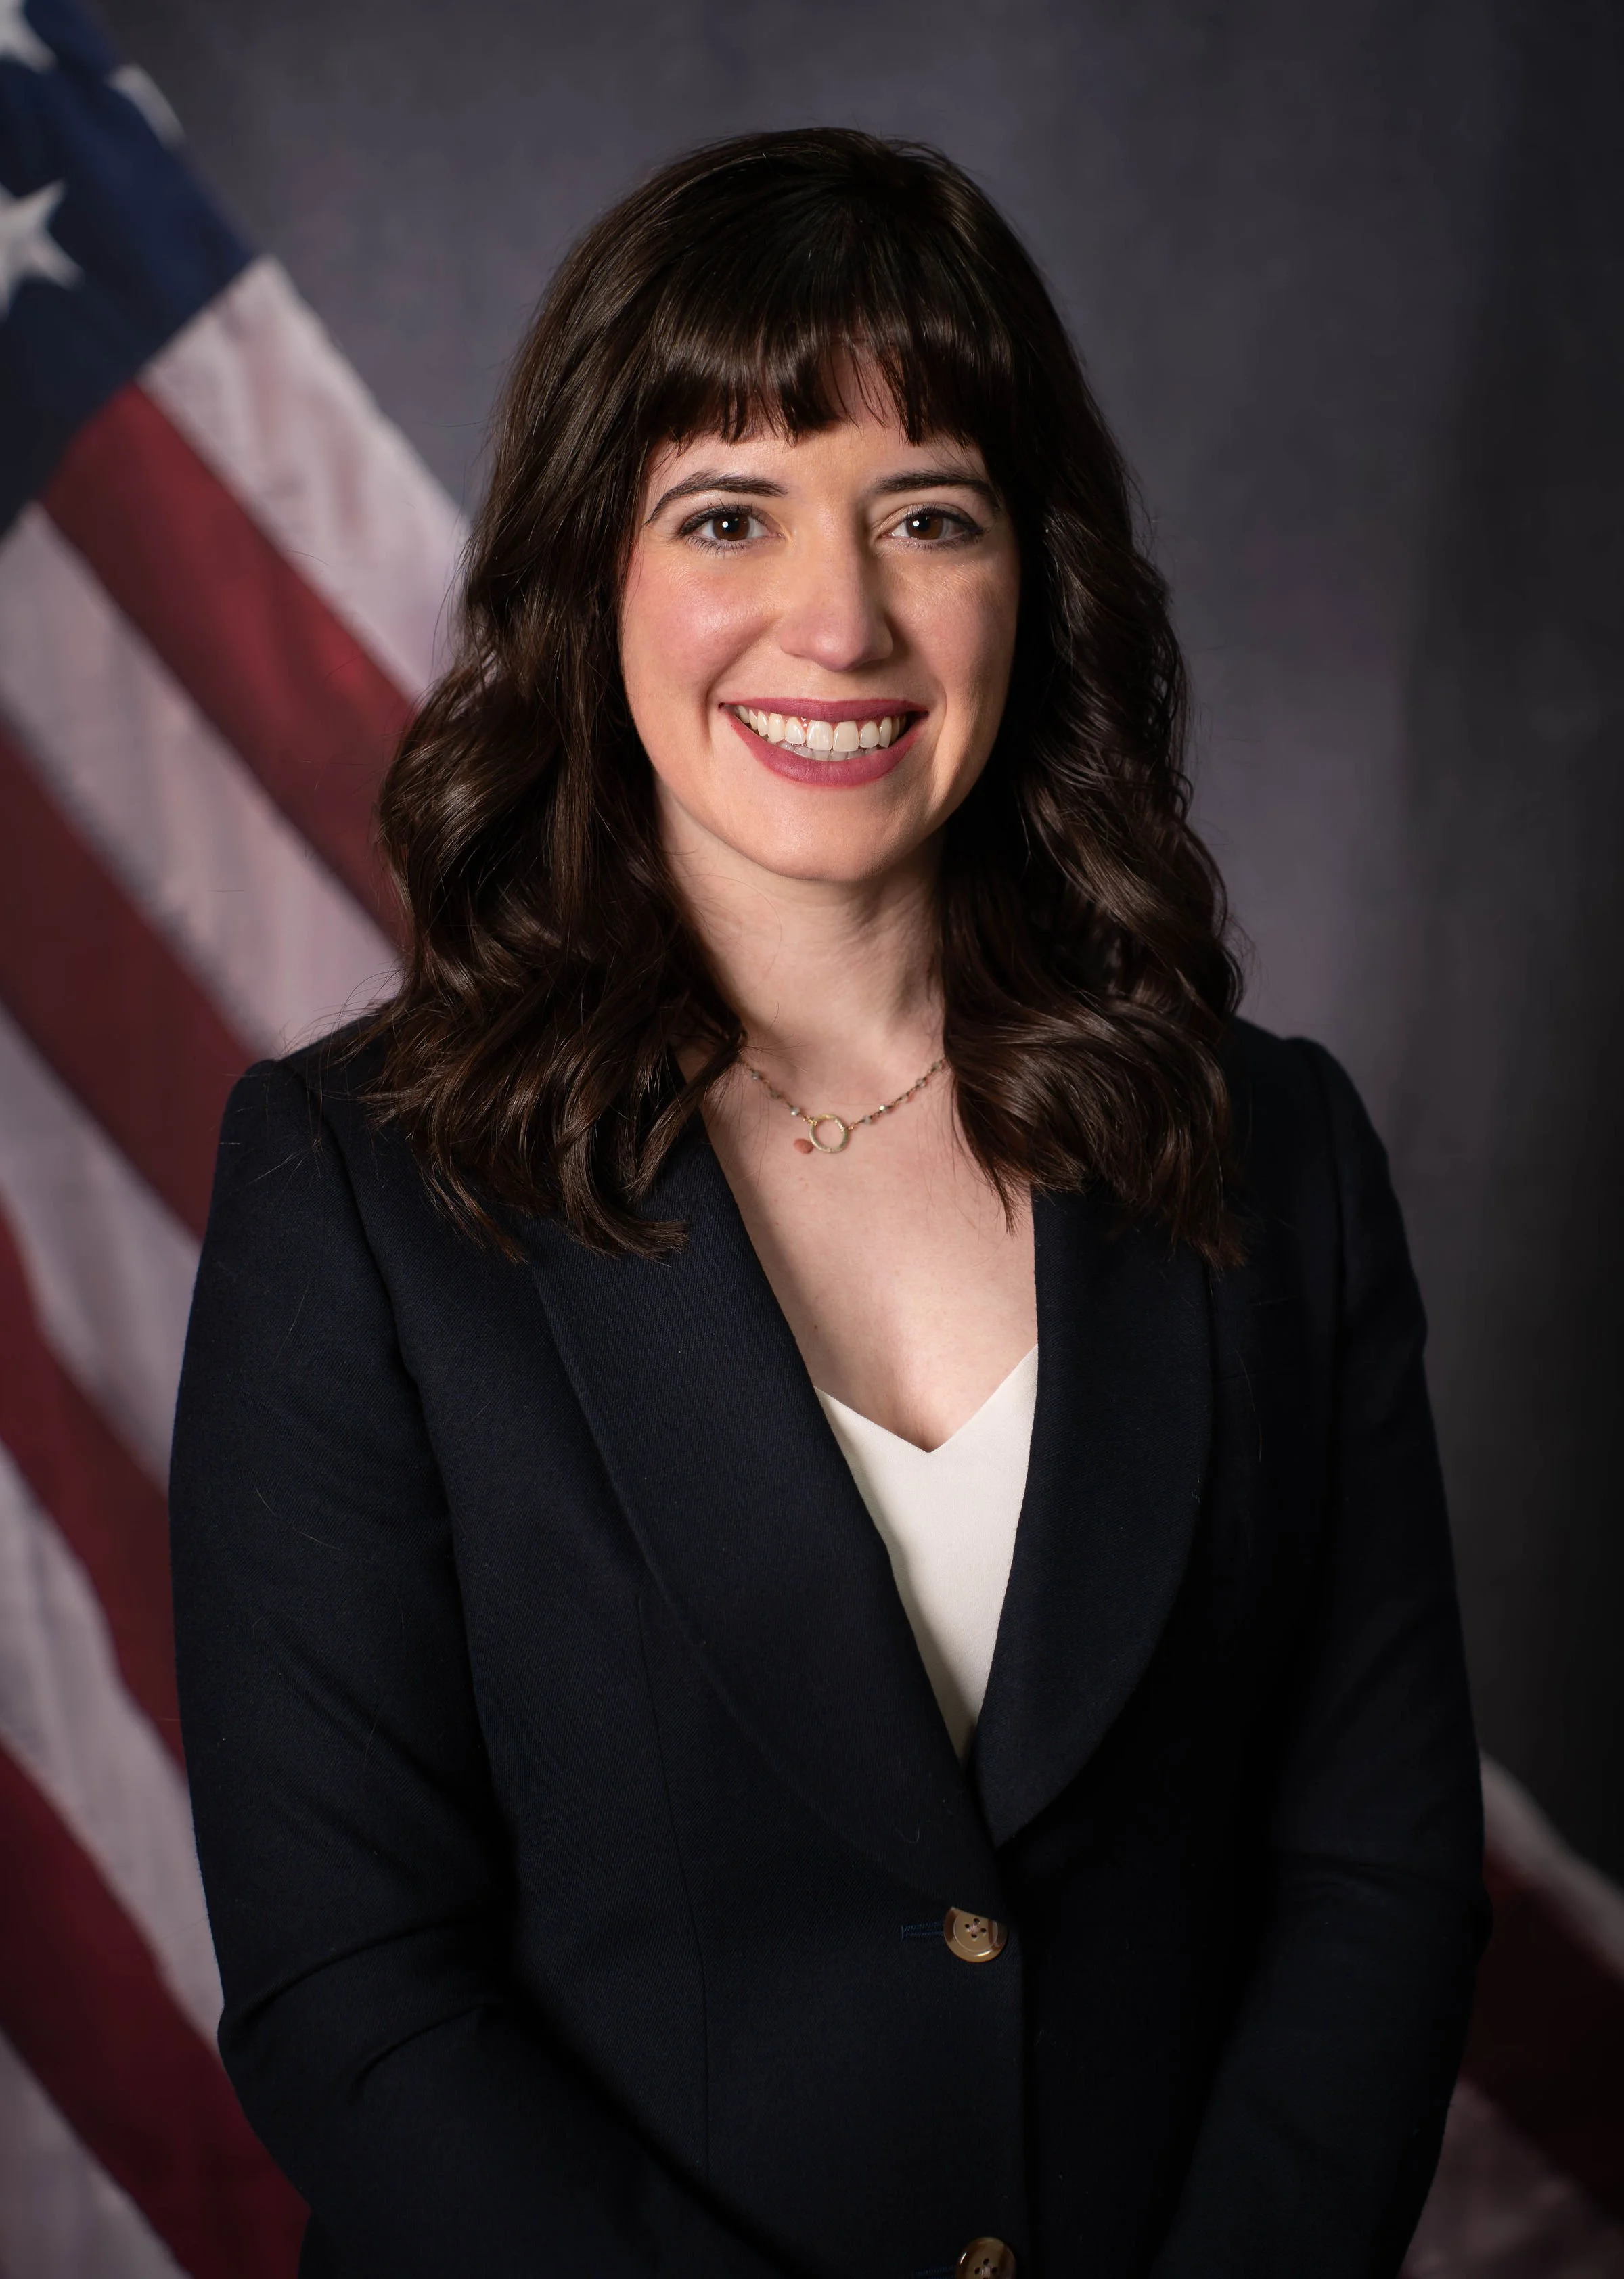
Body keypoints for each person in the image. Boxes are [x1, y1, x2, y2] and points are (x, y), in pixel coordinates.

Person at [169, 129, 1487, 2279]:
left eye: (929, 515)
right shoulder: (362, 1189)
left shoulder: (1275, 1154)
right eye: (729, 514)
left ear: (1033, 576)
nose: (843, 619)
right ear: (590, 577)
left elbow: (1377, 1884)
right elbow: (356, 1996)